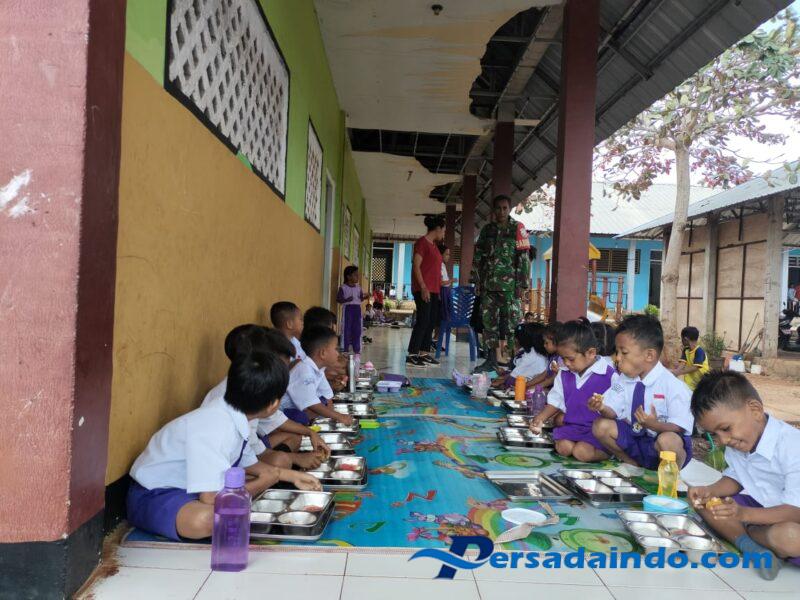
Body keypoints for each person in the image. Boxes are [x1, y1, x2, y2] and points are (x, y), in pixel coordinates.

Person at [127, 352, 321, 541]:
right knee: (206, 520)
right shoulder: (215, 427)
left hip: (193, 489)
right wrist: (266, 481)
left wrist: (291, 476)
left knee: (259, 476)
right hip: (154, 495)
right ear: (273, 405)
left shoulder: (236, 416)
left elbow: (251, 464)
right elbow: (210, 498)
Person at [688, 371, 800, 580]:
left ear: (755, 410)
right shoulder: (739, 442)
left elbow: (795, 512)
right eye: (714, 434)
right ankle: (752, 547)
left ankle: (748, 534)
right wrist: (709, 491)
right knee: (701, 501)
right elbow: (736, 478)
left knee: (790, 537)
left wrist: (744, 515)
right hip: (761, 509)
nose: (723, 440)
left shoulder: (793, 446)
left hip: (791, 518)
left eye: (725, 428)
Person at [201, 325, 329, 471]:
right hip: (220, 470)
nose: (284, 375)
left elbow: (256, 444)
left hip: (244, 455)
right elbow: (239, 460)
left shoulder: (251, 390)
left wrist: (310, 433)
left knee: (288, 448)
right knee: (280, 462)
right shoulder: (232, 402)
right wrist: (292, 461)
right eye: (281, 367)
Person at [590, 315, 694, 469]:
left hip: (658, 444)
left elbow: (679, 426)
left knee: (668, 440)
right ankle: (633, 465)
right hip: (635, 439)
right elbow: (612, 411)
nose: (617, 358)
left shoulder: (673, 386)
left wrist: (654, 425)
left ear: (649, 355)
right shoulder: (623, 379)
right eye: (617, 352)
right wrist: (602, 407)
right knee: (600, 426)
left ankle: (669, 475)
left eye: (624, 352)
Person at [529, 320, 614, 462]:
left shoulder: (609, 375)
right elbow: (555, 401)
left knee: (581, 452)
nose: (566, 363)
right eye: (563, 358)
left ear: (591, 353)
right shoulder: (563, 374)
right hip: (573, 427)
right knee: (564, 448)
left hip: (596, 431)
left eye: (571, 359)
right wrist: (540, 419)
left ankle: (610, 452)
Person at [472, 194, 531, 371]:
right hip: (489, 286)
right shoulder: (487, 230)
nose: (502, 211)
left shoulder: (518, 228)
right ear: (493, 210)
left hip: (510, 287)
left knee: (511, 324)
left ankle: (512, 361)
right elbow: (478, 257)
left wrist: (522, 285)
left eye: (505, 208)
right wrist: (477, 281)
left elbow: (524, 258)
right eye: (498, 208)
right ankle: (490, 360)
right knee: (489, 324)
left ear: (510, 208)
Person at [280, 325, 354, 426]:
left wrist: (334, 421)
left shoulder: (319, 369)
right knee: (314, 410)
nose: (338, 354)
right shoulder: (304, 370)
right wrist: (338, 417)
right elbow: (312, 404)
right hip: (282, 414)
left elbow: (328, 397)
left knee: (322, 404)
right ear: (323, 353)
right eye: (335, 349)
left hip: (297, 410)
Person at [406, 215, 445, 368]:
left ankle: (423, 353)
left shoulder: (434, 246)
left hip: (434, 290)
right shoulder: (422, 243)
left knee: (430, 321)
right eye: (443, 231)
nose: (443, 234)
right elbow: (416, 266)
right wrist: (423, 287)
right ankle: (412, 354)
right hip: (424, 289)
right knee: (423, 320)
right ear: (438, 229)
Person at [491, 323, 548, 389]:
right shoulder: (533, 352)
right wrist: (503, 378)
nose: (515, 340)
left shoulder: (532, 355)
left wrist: (502, 381)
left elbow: (511, 381)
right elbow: (515, 373)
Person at [337, 265, 369, 355]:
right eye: (355, 275)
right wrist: (346, 300)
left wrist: (365, 297)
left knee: (357, 329)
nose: (357, 277)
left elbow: (360, 298)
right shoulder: (343, 287)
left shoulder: (358, 288)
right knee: (346, 328)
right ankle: (345, 348)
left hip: (357, 310)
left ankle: (357, 349)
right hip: (348, 309)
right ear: (348, 276)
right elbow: (338, 299)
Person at [671, 326, 709, 391]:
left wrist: (679, 372)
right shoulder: (686, 350)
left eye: (681, 339)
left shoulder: (699, 351)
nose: (681, 341)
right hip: (690, 382)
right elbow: (682, 363)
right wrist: (676, 371)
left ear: (685, 339)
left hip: (702, 382)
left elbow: (695, 367)